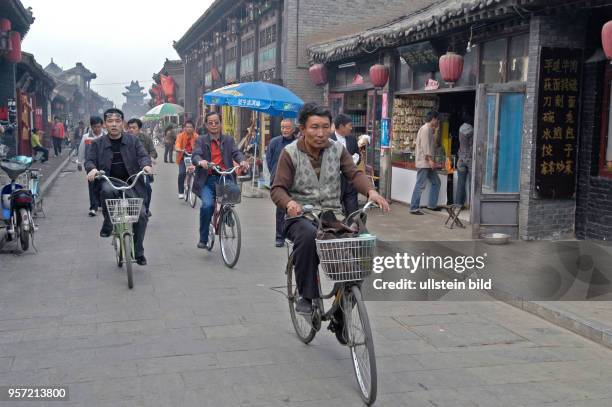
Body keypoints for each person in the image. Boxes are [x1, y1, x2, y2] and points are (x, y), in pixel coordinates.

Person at [270, 103, 389, 315]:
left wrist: (371, 191)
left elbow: (354, 174)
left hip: (332, 216)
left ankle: (345, 307)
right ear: (303, 128)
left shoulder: (337, 149)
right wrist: (289, 203)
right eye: (315, 127)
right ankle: (307, 296)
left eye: (325, 126)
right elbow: (278, 188)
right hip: (300, 217)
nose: (321, 133)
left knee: (361, 244)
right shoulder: (289, 153)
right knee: (308, 236)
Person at [85, 108, 153, 266]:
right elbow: (89, 161)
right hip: (109, 181)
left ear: (123, 123)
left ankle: (138, 251)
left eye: (117, 121)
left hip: (132, 183)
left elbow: (143, 155)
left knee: (142, 215)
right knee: (107, 190)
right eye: (110, 121)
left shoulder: (133, 141)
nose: (114, 124)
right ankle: (109, 222)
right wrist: (92, 169)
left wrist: (146, 166)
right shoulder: (97, 144)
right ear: (104, 125)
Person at [192, 112, 249, 249]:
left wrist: (242, 161)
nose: (213, 125)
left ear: (220, 123)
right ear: (206, 124)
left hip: (225, 176)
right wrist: (201, 162)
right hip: (207, 179)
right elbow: (196, 155)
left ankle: (227, 213)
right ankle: (203, 238)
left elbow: (236, 152)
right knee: (207, 206)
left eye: (216, 122)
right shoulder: (201, 140)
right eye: (210, 122)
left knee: (234, 191)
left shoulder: (228, 140)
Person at [266, 119, 298, 247]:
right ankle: (279, 236)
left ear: (293, 129)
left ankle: (293, 235)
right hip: (278, 180)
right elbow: (269, 160)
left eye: (287, 127)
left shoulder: (298, 143)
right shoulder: (274, 142)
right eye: (282, 127)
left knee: (295, 208)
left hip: (295, 180)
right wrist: (275, 174)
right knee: (280, 209)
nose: (284, 130)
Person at [410, 110, 441, 215]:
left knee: (436, 182)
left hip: (427, 162)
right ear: (433, 118)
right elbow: (425, 146)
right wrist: (430, 160)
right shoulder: (425, 129)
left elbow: (433, 145)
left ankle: (432, 205)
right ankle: (414, 207)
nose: (437, 121)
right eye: (436, 119)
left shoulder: (429, 129)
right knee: (420, 184)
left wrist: (436, 131)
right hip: (424, 162)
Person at [330, 113, 361, 217]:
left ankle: (353, 229)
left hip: (349, 180)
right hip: (334, 181)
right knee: (334, 212)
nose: (351, 128)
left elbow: (358, 155)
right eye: (349, 125)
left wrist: (356, 158)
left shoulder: (352, 139)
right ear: (341, 126)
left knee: (353, 211)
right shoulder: (328, 140)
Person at [127, 118, 158, 217]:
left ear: (139, 129)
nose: (131, 129)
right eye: (130, 127)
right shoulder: (124, 139)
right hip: (128, 169)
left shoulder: (146, 138)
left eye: (134, 127)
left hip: (143, 170)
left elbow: (153, 152)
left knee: (147, 188)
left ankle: (146, 210)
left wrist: (151, 157)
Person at [78, 116, 106, 216]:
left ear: (102, 126)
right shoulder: (87, 137)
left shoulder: (106, 136)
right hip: (90, 164)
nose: (97, 129)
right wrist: (79, 162)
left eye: (99, 126)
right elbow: (81, 149)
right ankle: (93, 207)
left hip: (104, 164)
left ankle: (101, 204)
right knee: (92, 185)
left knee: (103, 185)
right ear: (91, 126)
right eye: (94, 127)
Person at [175, 120, 198, 199]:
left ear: (193, 128)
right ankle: (181, 191)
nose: (189, 128)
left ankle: (194, 187)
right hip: (183, 156)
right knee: (181, 173)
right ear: (184, 128)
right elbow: (177, 144)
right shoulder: (180, 136)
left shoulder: (196, 136)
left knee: (198, 173)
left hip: (194, 156)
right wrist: (179, 149)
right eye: (187, 127)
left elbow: (200, 145)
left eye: (190, 127)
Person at [456, 119, 473, 208]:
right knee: (472, 183)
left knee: (460, 183)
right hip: (470, 160)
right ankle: (472, 205)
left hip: (461, 160)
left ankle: (459, 204)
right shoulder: (472, 131)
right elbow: (472, 146)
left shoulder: (460, 130)